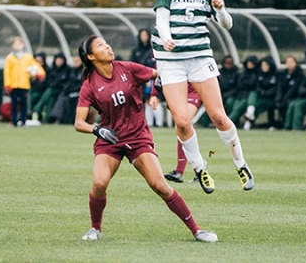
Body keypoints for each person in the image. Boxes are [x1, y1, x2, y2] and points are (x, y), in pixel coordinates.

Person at [73, 35, 217, 243]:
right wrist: (97, 130)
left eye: (107, 43)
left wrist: (158, 91)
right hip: (109, 140)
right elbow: (79, 123)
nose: (108, 47)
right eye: (101, 46)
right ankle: (95, 229)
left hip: (138, 137)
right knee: (99, 184)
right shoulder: (89, 84)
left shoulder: (128, 68)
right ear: (91, 56)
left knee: (160, 186)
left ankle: (197, 230)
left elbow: (159, 75)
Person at [146, 0, 253, 193]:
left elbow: (226, 24)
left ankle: (240, 164)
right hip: (171, 61)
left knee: (218, 116)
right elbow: (161, 17)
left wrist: (221, 8)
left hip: (200, 59)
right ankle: (200, 168)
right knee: (182, 122)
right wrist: (167, 37)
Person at [152, 81, 202, 184]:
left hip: (192, 90)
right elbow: (157, 74)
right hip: (174, 93)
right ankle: (200, 168)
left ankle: (181, 171)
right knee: (181, 128)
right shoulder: (163, 64)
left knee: (183, 125)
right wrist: (153, 94)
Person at [3, 37, 45, 127]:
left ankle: (23, 121)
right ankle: (13, 121)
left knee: (24, 104)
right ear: (13, 45)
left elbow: (36, 66)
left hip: (24, 85)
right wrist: (7, 84)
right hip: (13, 85)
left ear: (23, 45)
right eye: (15, 44)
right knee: (13, 104)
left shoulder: (28, 57)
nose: (17, 46)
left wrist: (41, 74)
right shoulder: (9, 58)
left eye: (19, 44)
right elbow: (7, 72)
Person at [131, 29, 162, 127]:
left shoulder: (156, 53)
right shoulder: (136, 51)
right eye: (142, 35)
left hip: (157, 81)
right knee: (147, 102)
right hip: (143, 82)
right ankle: (149, 123)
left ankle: (159, 123)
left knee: (157, 100)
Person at [242, 56, 278, 130]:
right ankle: (250, 115)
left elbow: (276, 88)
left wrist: (265, 92)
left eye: (265, 65)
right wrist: (262, 92)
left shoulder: (275, 75)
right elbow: (257, 86)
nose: (263, 67)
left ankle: (270, 124)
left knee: (267, 105)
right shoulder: (259, 74)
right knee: (253, 94)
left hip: (271, 98)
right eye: (262, 65)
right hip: (261, 97)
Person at [32, 53, 69, 123]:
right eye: (57, 60)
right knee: (50, 99)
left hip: (61, 90)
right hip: (52, 90)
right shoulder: (53, 70)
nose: (59, 61)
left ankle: (37, 108)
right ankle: (48, 119)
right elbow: (49, 81)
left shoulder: (67, 70)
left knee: (50, 91)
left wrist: (57, 84)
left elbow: (66, 83)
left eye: (60, 60)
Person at [227, 55, 259, 126]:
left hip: (248, 96)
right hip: (240, 95)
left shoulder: (257, 74)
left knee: (238, 108)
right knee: (231, 103)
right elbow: (238, 85)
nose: (250, 65)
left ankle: (228, 123)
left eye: (252, 64)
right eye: (249, 63)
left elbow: (252, 85)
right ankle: (230, 122)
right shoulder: (241, 74)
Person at [275, 56, 305, 129]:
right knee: (279, 104)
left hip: (295, 97)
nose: (290, 64)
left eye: (291, 62)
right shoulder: (284, 74)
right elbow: (280, 87)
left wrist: (286, 98)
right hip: (285, 96)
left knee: (291, 104)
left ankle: (290, 125)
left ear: (295, 63)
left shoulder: (299, 73)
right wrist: (279, 98)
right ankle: (283, 123)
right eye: (288, 62)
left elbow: (295, 88)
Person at [28, 51, 48, 119]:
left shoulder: (47, 70)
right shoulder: (31, 70)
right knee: (29, 94)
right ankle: (29, 112)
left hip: (42, 91)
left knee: (36, 96)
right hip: (33, 90)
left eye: (40, 61)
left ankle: (36, 111)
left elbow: (46, 83)